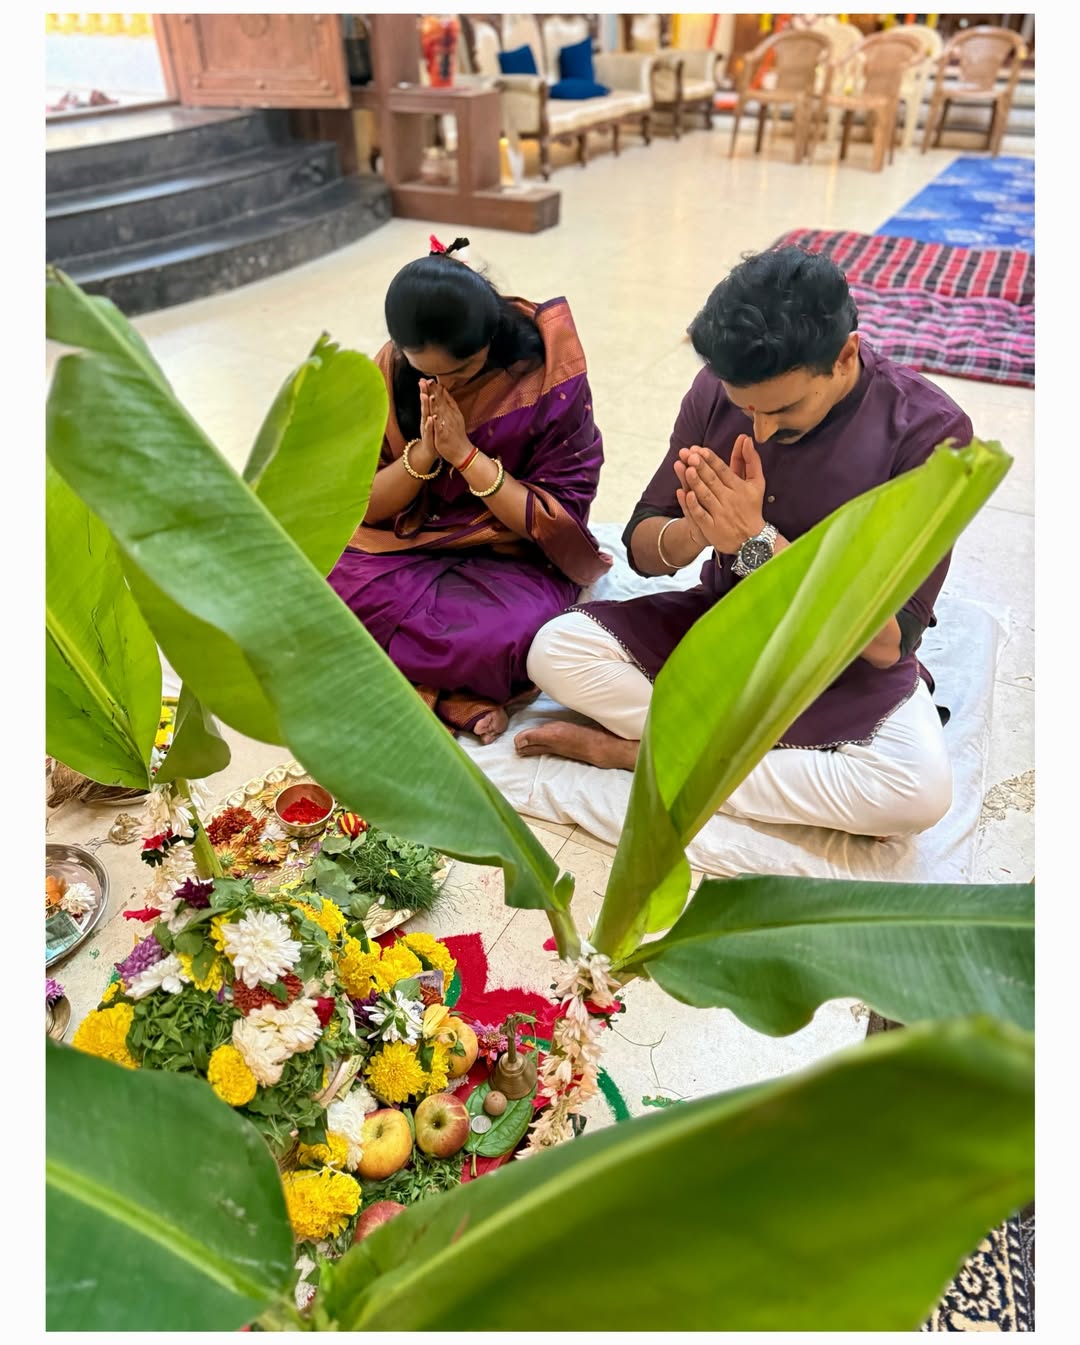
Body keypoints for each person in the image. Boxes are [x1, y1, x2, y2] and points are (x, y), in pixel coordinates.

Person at [516, 245, 974, 839]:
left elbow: (890, 643)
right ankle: (735, 762)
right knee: (555, 652)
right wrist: (696, 531)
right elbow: (644, 549)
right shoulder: (717, 388)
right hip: (721, 623)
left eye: (784, 408)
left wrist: (757, 542)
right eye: (746, 409)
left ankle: (642, 754)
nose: (760, 429)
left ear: (845, 356)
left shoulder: (931, 434)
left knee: (917, 795)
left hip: (839, 660)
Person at [329, 237, 610, 742]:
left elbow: (559, 518)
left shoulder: (547, 372)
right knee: (318, 584)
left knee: (509, 639)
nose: (445, 386)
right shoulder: (391, 368)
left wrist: (464, 455)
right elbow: (365, 505)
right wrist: (424, 453)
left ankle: (427, 683)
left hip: (513, 555)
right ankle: (451, 693)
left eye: (459, 371)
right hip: (409, 542)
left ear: (491, 338)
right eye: (427, 372)